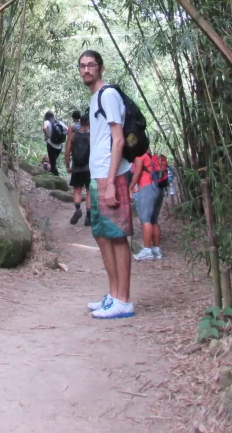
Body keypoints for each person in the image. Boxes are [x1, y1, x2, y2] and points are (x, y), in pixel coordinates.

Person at [78, 50, 134, 319]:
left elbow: (119, 139)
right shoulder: (95, 97)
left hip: (112, 175)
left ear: (100, 68)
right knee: (102, 235)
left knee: (116, 235)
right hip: (98, 174)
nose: (86, 70)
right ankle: (113, 295)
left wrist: (111, 182)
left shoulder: (108, 95)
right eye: (82, 66)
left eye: (91, 65)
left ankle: (124, 299)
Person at [129, 149, 163, 260]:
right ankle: (157, 250)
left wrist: (130, 186)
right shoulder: (151, 157)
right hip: (158, 189)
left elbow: (137, 173)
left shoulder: (140, 156)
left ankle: (147, 250)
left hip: (147, 188)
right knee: (154, 220)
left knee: (146, 220)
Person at [65, 109, 91, 226]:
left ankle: (77, 210)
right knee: (89, 191)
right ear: (89, 123)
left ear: (80, 122)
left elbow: (67, 152)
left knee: (77, 190)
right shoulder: (92, 136)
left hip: (76, 167)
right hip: (89, 168)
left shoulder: (73, 135)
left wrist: (68, 166)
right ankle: (88, 217)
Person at [42, 111, 65, 177]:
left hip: (51, 145)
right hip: (60, 147)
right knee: (53, 163)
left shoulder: (47, 122)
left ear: (46, 116)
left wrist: (46, 136)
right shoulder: (59, 122)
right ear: (53, 116)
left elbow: (44, 128)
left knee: (53, 164)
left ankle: (57, 178)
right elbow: (67, 129)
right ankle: (52, 176)